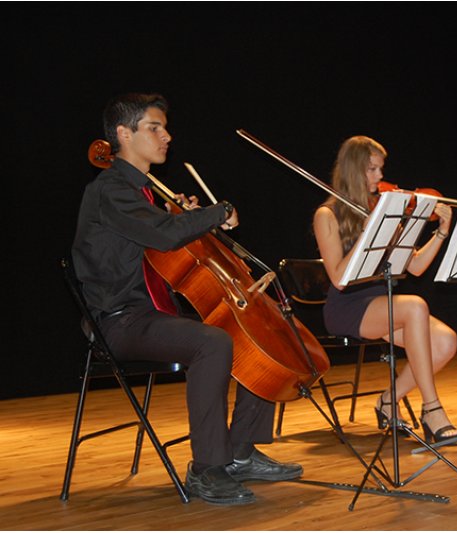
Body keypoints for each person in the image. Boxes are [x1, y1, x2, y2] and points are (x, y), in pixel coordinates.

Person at [71, 93, 302, 506]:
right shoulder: (110, 190)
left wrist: (184, 218)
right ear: (123, 134)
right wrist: (215, 212)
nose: (166, 136)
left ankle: (241, 452)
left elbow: (164, 237)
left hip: (153, 316)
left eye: (164, 127)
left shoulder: (142, 196)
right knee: (211, 342)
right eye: (154, 128)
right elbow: (162, 236)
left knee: (252, 337)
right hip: (120, 320)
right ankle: (207, 468)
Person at [312, 135, 457, 444]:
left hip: (382, 302)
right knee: (415, 306)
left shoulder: (382, 210)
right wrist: (369, 232)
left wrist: (441, 233)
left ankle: (388, 401)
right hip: (348, 307)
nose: (380, 177)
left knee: (446, 342)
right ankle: (432, 410)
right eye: (372, 169)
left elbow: (415, 266)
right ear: (354, 170)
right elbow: (339, 279)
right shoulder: (326, 216)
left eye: (380, 169)